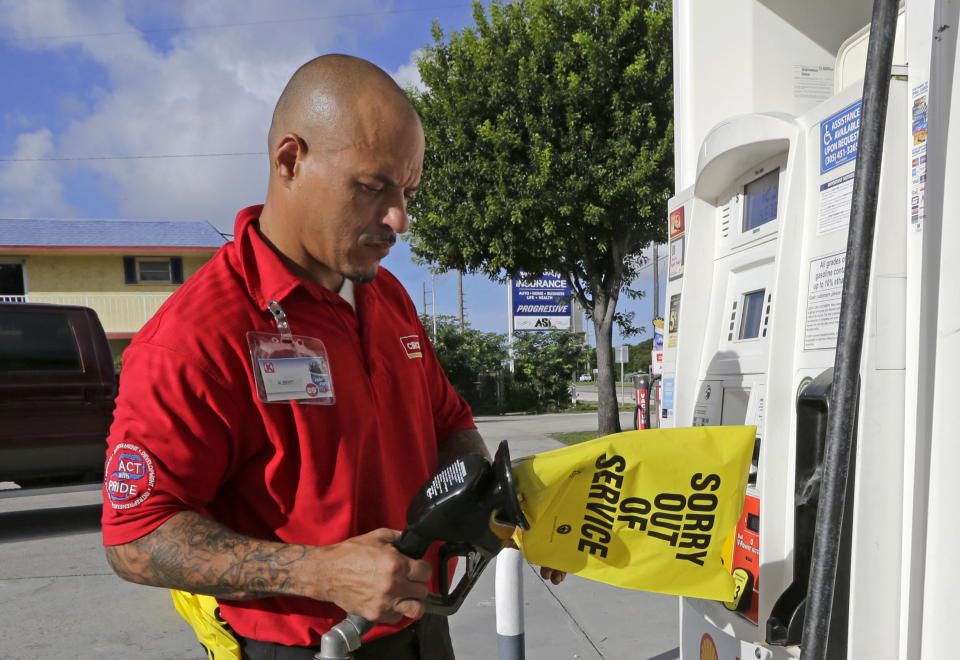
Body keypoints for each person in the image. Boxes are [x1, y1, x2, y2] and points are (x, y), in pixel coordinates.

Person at [101, 54, 563, 660]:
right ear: (290, 161)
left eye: (407, 191)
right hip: (307, 648)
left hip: (424, 632)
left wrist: (494, 506)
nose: (399, 218)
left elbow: (448, 424)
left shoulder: (387, 296)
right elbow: (135, 536)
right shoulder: (194, 337)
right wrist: (319, 573)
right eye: (374, 188)